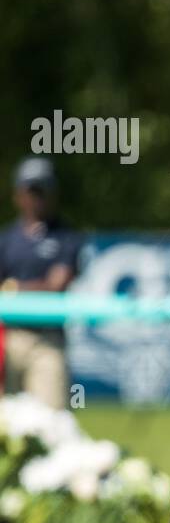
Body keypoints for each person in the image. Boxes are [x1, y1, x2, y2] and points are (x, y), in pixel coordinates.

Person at [0, 158, 83, 410]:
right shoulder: (6, 240)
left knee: (52, 419)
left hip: (48, 340)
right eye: (31, 191)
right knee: (7, 424)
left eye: (43, 191)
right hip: (10, 339)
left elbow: (56, 285)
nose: (37, 198)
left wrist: (12, 289)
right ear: (18, 195)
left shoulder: (67, 237)